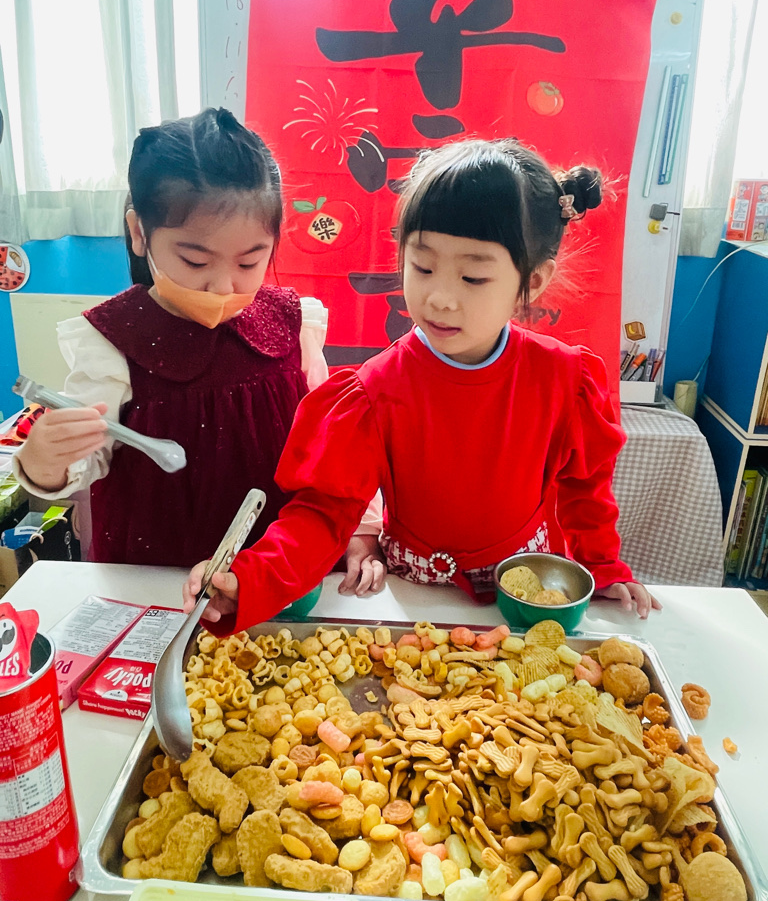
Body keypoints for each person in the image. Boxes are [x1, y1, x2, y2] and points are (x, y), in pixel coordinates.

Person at [183, 138, 660, 631]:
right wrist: (254, 579)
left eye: (473, 277)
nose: (439, 298)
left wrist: (603, 565)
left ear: (532, 282)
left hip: (521, 599)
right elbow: (323, 515)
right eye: (423, 267)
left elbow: (586, 490)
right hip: (410, 601)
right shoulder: (375, 391)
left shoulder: (563, 378)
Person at [15, 108, 382, 586]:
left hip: (275, 574)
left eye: (249, 263)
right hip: (155, 577)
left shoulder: (293, 323)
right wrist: (45, 462)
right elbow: (86, 459)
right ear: (139, 233)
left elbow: (333, 442)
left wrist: (362, 528)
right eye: (194, 260)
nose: (222, 286)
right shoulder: (111, 341)